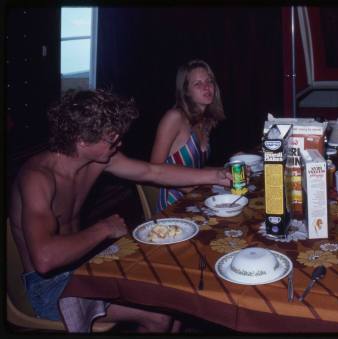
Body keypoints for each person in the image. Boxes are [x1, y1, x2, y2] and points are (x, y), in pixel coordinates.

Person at [8, 89, 231, 332]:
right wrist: (103, 229)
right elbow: (44, 259)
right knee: (159, 317)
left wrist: (216, 176)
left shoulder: (98, 159)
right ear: (82, 141)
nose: (119, 143)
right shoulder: (37, 178)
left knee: (174, 294)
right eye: (111, 139)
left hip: (84, 265)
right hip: (48, 287)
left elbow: (152, 172)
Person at [150, 59, 225, 211]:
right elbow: (154, 169)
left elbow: (195, 168)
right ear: (186, 91)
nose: (206, 87)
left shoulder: (205, 122)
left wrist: (227, 170)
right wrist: (202, 191)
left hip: (196, 199)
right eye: (198, 84)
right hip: (174, 206)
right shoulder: (174, 117)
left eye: (209, 81)